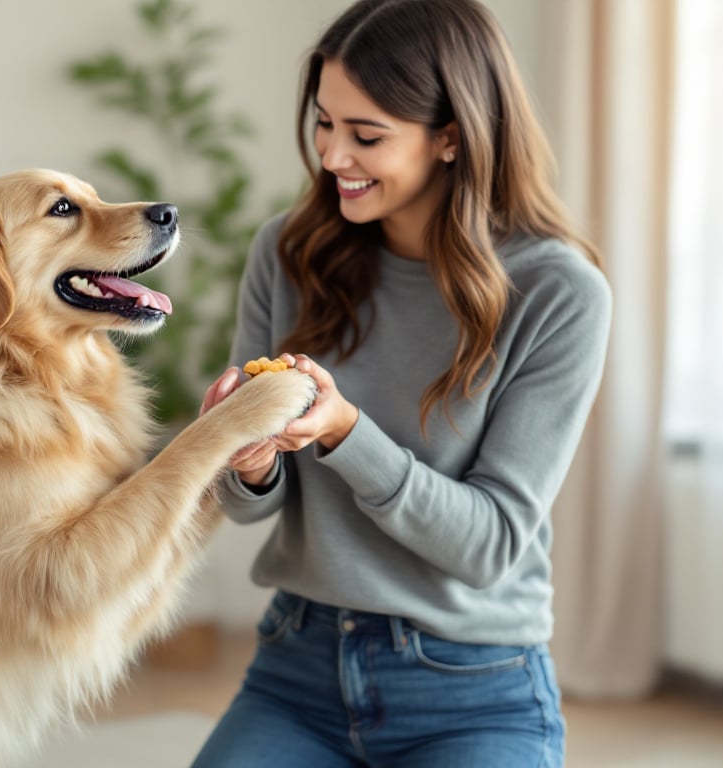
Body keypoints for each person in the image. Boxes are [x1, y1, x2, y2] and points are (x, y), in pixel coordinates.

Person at [190, 0, 612, 765]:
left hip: (474, 686)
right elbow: (250, 510)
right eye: (325, 123)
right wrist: (246, 460)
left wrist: (347, 433)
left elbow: (489, 546)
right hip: (299, 665)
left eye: (367, 135)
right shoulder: (286, 253)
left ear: (451, 136)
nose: (332, 156)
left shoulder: (557, 292)